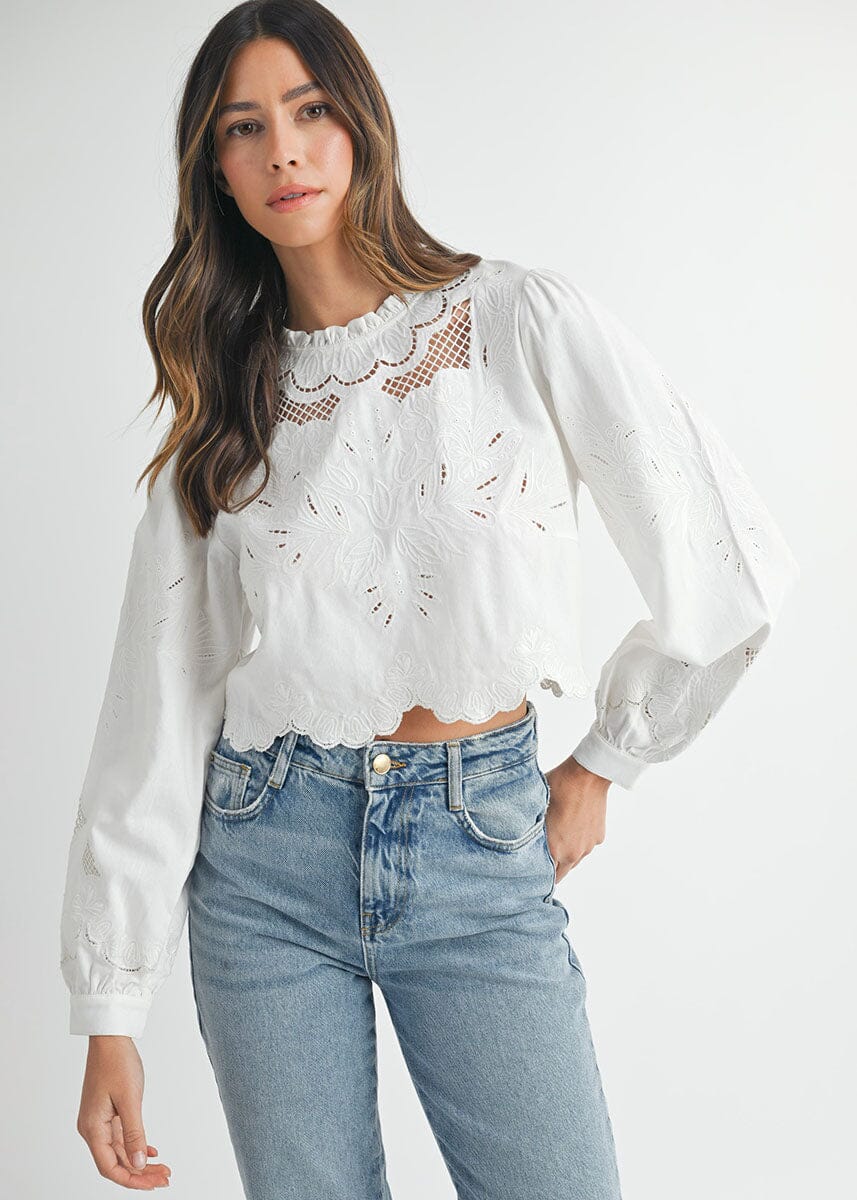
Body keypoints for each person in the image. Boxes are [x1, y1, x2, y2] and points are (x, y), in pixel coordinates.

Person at [59, 1, 800, 1196]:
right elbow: (155, 713)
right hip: (261, 868)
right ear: (217, 172)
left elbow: (723, 555)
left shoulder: (513, 320)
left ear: (360, 123)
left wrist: (605, 762)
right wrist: (110, 1005)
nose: (283, 150)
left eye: (308, 110)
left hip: (477, 846)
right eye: (243, 128)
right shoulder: (224, 418)